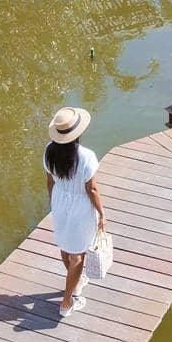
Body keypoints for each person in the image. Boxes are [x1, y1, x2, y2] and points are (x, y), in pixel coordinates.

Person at [44, 106, 107, 318]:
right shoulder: (87, 157)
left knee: (65, 245)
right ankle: (67, 302)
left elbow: (49, 182)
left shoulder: (48, 151)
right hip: (80, 206)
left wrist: (54, 204)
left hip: (60, 201)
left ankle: (76, 282)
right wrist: (102, 213)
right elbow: (92, 189)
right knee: (78, 255)